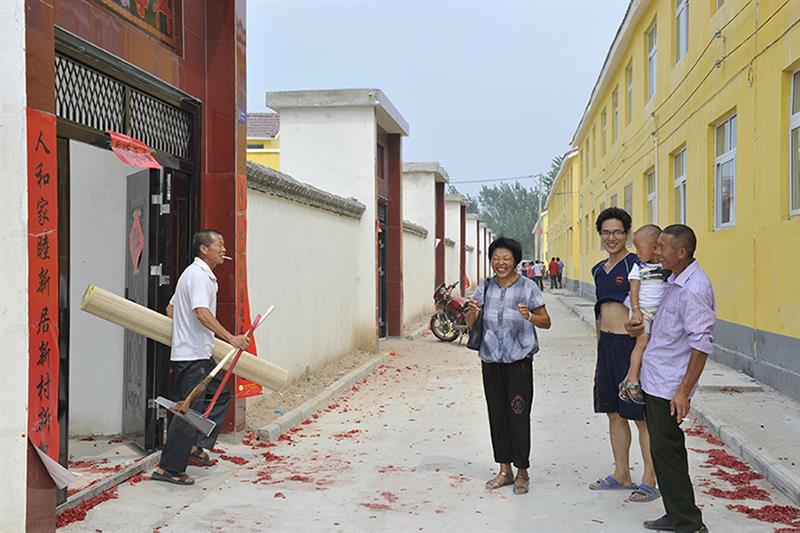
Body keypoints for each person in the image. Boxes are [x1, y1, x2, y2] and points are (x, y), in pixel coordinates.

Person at [626, 225, 714, 533]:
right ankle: (676, 513)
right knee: (663, 452)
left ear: (682, 253)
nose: (656, 251)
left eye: (662, 247)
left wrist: (683, 391)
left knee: (669, 451)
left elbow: (701, 343)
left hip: (670, 386)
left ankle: (689, 524)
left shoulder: (694, 288)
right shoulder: (674, 279)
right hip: (657, 378)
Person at [153, 230, 251, 485]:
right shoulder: (199, 276)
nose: (223, 249)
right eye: (219, 244)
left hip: (198, 351)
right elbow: (201, 312)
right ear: (204, 249)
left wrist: (183, 330)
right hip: (193, 355)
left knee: (221, 394)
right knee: (189, 411)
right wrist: (230, 338)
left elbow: (171, 308)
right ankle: (169, 468)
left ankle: (197, 445)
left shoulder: (194, 274)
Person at [465, 237, 551, 496]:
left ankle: (522, 470)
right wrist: (472, 312)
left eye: (506, 258)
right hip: (491, 362)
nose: (501, 263)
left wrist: (530, 316)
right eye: (496, 259)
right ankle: (505, 469)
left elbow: (546, 321)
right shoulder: (485, 287)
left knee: (518, 415)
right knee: (497, 415)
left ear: (515, 260)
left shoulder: (527, 287)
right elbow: (471, 324)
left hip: (519, 364)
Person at [588, 208, 658, 504]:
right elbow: (599, 313)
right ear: (600, 235)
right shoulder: (598, 270)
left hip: (632, 350)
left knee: (641, 417)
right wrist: (598, 355)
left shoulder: (638, 264)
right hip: (607, 347)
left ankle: (650, 480)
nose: (612, 237)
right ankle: (621, 474)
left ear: (627, 233)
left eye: (617, 232)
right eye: (606, 232)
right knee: (613, 413)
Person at [619, 225, 670, 405]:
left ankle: (630, 380)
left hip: (660, 313)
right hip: (643, 311)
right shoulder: (638, 267)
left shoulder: (666, 267)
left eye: (639, 248)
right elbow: (634, 289)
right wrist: (636, 310)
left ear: (655, 247)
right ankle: (633, 379)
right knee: (642, 342)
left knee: (653, 347)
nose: (636, 252)